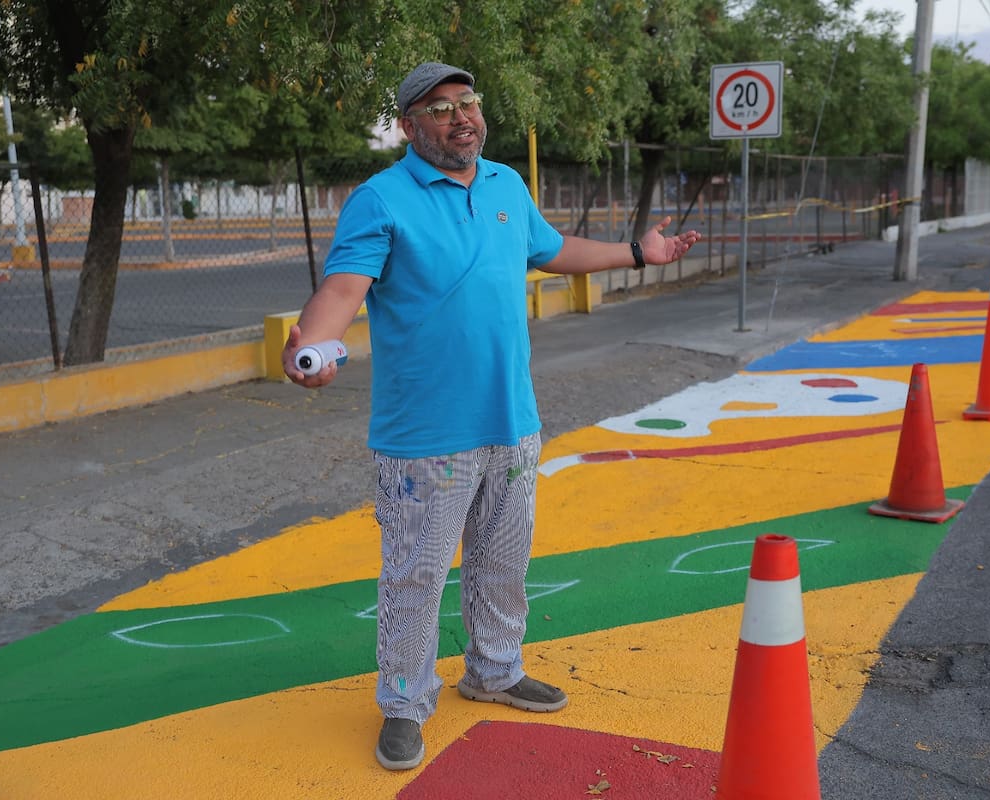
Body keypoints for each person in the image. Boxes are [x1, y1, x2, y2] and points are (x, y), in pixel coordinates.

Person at [282, 61, 700, 771]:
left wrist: (638, 252)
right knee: (416, 577)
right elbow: (344, 289)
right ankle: (406, 704)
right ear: (410, 126)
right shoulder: (381, 199)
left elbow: (552, 248)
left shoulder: (507, 184)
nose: (460, 116)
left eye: (467, 102)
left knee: (503, 564)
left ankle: (495, 671)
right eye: (440, 109)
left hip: (512, 422)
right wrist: (314, 346)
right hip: (424, 440)